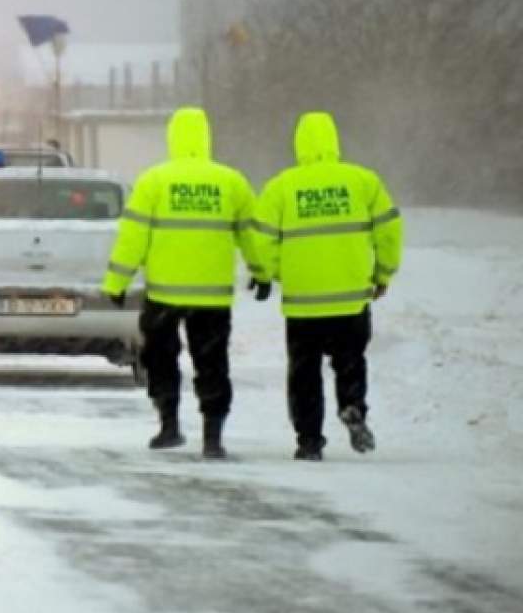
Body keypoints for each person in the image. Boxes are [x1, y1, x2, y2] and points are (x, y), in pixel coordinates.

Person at [101, 107, 268, 459]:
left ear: (172, 137)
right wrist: (261, 271)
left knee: (161, 360)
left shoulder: (154, 181)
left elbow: (133, 237)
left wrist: (116, 281)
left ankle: (169, 425)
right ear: (207, 137)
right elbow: (251, 234)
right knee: (212, 364)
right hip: (212, 296)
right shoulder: (231, 181)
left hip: (165, 293)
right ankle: (213, 435)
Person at [252, 111, 403, 461]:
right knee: (350, 360)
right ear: (335, 140)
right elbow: (389, 230)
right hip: (350, 299)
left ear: (299, 144)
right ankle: (352, 406)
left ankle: (309, 441)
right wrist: (382, 274)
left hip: (303, 303)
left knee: (304, 374)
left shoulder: (282, 186)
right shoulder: (363, 181)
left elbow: (261, 241)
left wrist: (270, 274)